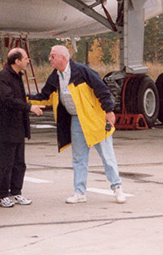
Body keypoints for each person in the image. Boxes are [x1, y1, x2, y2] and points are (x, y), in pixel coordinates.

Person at [28, 45, 126, 204]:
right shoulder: (55, 76)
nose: (50, 59)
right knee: (79, 158)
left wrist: (109, 111)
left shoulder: (82, 71)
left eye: (52, 56)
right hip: (76, 121)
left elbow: (102, 89)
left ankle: (117, 188)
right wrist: (23, 99)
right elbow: (44, 96)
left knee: (107, 157)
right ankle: (80, 192)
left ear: (63, 58)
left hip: (95, 120)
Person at [0, 48, 44, 208]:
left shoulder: (17, 76)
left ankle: (16, 192)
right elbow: (8, 99)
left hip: (18, 128)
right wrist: (29, 107)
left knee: (19, 163)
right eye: (26, 58)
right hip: (6, 129)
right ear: (17, 61)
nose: (28, 61)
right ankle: (2, 195)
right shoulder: (4, 77)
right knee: (5, 163)